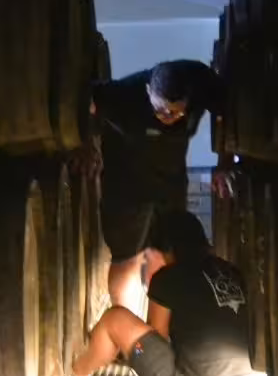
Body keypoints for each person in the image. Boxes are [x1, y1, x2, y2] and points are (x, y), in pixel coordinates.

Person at [63, 210, 261, 376]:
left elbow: (158, 340)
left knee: (114, 321)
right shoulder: (231, 271)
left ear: (168, 249)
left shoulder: (167, 278)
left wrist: (136, 357)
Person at [88, 58, 225, 313]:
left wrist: (224, 162)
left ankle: (160, 326)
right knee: (128, 258)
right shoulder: (122, 95)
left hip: (170, 179)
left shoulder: (200, 81)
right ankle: (128, 327)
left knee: (167, 253)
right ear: (149, 91)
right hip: (125, 181)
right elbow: (81, 102)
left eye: (177, 112)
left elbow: (228, 112)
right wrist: (87, 149)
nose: (169, 118)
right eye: (161, 111)